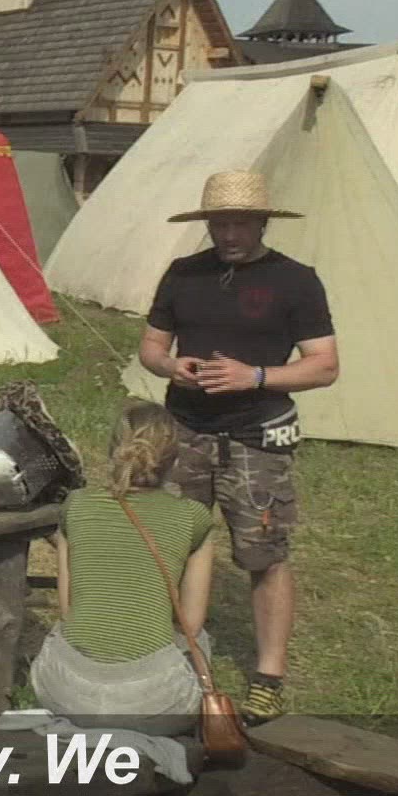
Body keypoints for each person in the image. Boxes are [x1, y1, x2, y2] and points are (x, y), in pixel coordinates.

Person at [138, 169, 339, 725]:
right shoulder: (184, 273)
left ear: (262, 222)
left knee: (263, 555)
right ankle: (168, 652)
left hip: (257, 438)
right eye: (219, 223)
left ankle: (268, 676)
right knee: (170, 544)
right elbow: (151, 347)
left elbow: (324, 366)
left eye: (240, 224)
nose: (228, 234)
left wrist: (256, 376)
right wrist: (170, 366)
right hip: (185, 430)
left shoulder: (295, 281)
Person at [32, 400, 218, 735]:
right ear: (175, 459)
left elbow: (68, 607)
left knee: (67, 631)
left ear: (113, 450)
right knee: (199, 639)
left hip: (67, 693)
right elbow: (190, 623)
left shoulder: (76, 504)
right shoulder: (194, 517)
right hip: (154, 702)